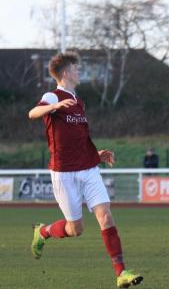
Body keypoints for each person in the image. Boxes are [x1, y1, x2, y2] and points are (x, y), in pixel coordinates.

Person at [28, 52, 143, 288]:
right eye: (77, 69)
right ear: (67, 72)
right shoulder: (53, 95)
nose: (80, 72)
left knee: (105, 215)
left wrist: (96, 155)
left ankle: (121, 273)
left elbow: (78, 138)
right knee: (75, 229)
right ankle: (44, 232)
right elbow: (32, 113)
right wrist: (54, 106)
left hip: (88, 168)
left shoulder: (79, 102)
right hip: (63, 172)